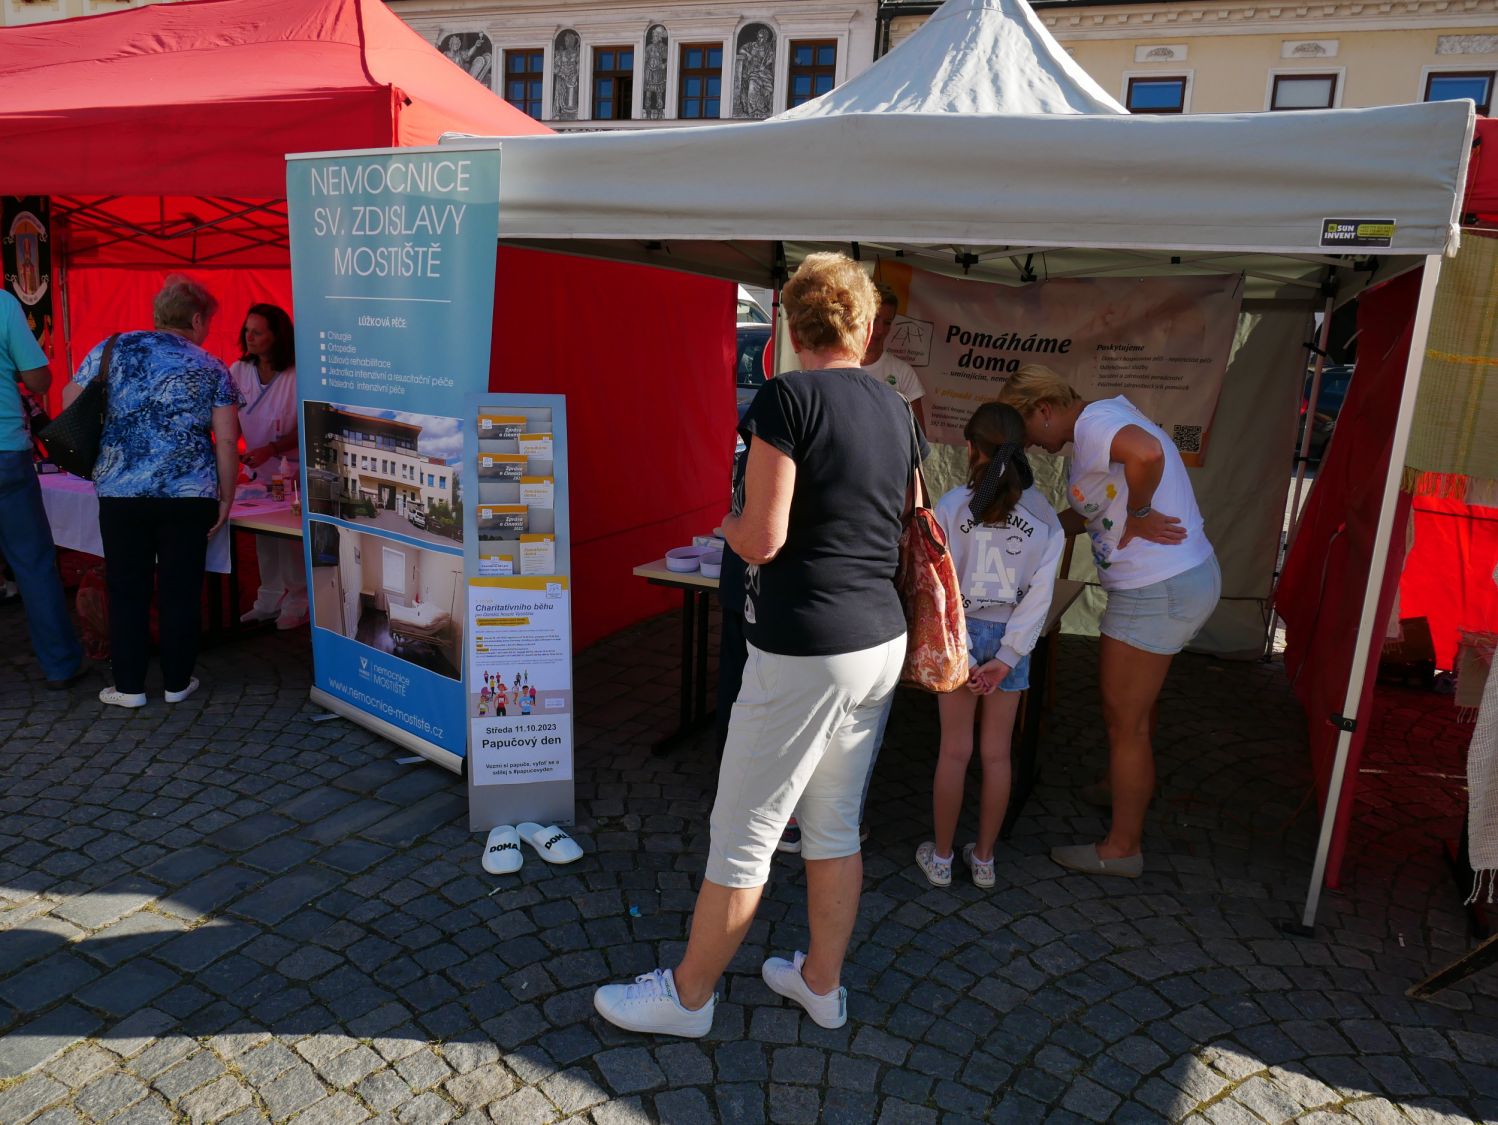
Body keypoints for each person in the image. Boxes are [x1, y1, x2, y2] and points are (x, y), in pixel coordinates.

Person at [594, 252, 919, 1037]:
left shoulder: (785, 396)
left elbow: (763, 536)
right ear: (864, 325)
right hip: (879, 638)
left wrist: (726, 525)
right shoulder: (895, 406)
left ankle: (689, 996)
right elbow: (908, 517)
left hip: (806, 644)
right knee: (834, 824)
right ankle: (821, 982)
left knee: (744, 831)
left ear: (792, 328)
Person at [997, 364, 1220, 877]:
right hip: (1171, 581)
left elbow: (1148, 454)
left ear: (1044, 410)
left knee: (1125, 721)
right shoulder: (1098, 421)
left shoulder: (1095, 424)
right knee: (1134, 713)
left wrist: (1140, 513)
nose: (1032, 447)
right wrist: (1038, 530)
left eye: (1028, 434)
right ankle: (1121, 786)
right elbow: (1096, 510)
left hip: (1155, 588)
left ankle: (1122, 848)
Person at [64, 275, 241, 709]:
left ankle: (129, 688)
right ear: (196, 319)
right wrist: (226, 496)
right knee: (182, 589)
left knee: (127, 588)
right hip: (189, 493)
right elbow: (225, 439)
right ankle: (178, 682)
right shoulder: (212, 366)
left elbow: (70, 399)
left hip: (121, 490)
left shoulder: (112, 348)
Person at [916, 403, 1063, 890]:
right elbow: (1040, 597)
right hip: (1010, 635)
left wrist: (958, 646)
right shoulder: (1044, 515)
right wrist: (1008, 657)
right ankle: (984, 859)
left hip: (959, 632)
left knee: (953, 751)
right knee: (997, 755)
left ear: (970, 448)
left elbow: (936, 586)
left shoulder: (952, 505)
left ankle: (941, 858)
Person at [0, 288, 87, 689]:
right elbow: (38, 378)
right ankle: (60, 664)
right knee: (33, 563)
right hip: (5, 451)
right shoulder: (3, 304)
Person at [229, 304, 306, 629]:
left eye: (257, 332)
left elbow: (305, 425)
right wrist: (229, 454)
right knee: (264, 538)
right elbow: (230, 418)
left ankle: (297, 602)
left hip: (292, 469)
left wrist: (272, 449)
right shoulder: (238, 370)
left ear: (277, 336)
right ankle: (268, 600)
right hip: (258, 470)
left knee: (289, 539)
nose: (249, 337)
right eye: (247, 330)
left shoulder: (297, 374)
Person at [864, 290, 926, 431]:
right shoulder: (837, 365)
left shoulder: (903, 372)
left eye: (887, 323)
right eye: (874, 319)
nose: (880, 329)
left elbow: (918, 435)